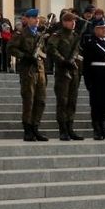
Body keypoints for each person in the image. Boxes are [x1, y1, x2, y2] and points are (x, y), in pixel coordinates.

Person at [5, 8, 48, 142]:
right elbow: (11, 48)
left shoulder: (40, 35)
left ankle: (36, 127)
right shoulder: (21, 34)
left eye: (37, 18)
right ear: (28, 19)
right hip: (27, 70)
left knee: (40, 100)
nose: (37, 20)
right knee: (28, 100)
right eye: (34, 18)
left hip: (39, 70)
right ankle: (28, 129)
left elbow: (44, 52)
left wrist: (40, 57)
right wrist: (25, 56)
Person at [45, 11, 85, 141]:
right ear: (64, 22)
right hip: (62, 71)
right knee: (63, 101)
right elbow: (51, 48)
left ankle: (70, 128)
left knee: (72, 101)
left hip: (73, 70)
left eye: (74, 21)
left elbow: (77, 50)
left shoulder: (75, 36)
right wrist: (63, 60)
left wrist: (72, 61)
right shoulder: (58, 35)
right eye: (70, 21)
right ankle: (63, 130)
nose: (73, 23)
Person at [81, 20, 105, 140]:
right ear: (95, 30)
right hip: (97, 78)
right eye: (101, 28)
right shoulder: (91, 43)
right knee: (96, 105)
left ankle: (104, 129)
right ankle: (97, 130)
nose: (104, 30)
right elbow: (86, 64)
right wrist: (88, 81)